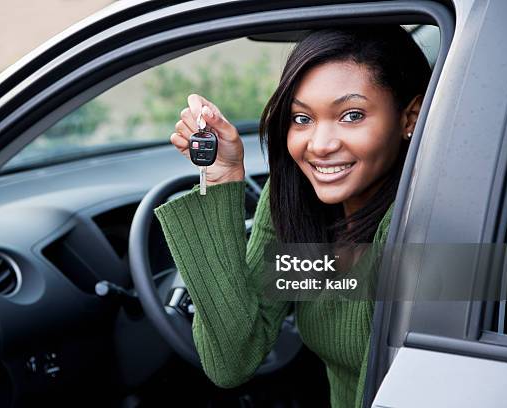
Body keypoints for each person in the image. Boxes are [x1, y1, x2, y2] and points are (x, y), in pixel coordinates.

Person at [154, 25, 431, 407]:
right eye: (302, 119)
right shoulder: (298, 200)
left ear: (409, 118)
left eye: (351, 115)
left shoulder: (415, 221)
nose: (320, 145)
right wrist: (220, 180)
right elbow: (233, 359)